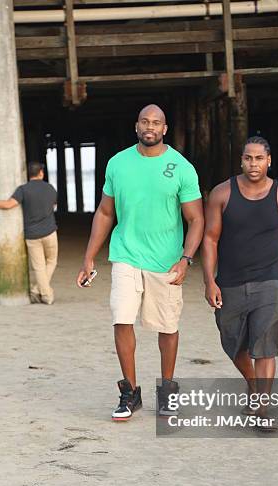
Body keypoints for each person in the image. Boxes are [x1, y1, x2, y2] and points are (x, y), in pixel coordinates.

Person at [76, 104, 204, 421]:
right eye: (145, 121)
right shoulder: (118, 164)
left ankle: (168, 392)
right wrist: (89, 255)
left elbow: (196, 219)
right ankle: (129, 393)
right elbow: (106, 212)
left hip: (166, 260)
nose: (150, 126)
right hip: (125, 254)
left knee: (168, 326)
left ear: (165, 129)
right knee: (121, 318)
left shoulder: (182, 167)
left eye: (156, 122)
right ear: (137, 126)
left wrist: (186, 259)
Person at [202, 136, 278, 430]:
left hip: (269, 284)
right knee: (233, 344)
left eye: (259, 158)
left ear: (269, 161)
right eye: (248, 158)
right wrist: (210, 281)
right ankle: (252, 384)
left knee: (265, 346)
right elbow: (210, 239)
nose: (253, 164)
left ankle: (262, 406)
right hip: (230, 284)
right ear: (241, 160)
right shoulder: (222, 194)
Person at [0, 161, 58, 304]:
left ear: (28, 174)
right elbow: (54, 206)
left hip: (32, 235)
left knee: (38, 266)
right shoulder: (50, 188)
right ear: (41, 173)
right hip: (50, 232)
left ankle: (39, 290)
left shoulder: (23, 189)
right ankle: (46, 294)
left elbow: (8, 205)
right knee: (51, 261)